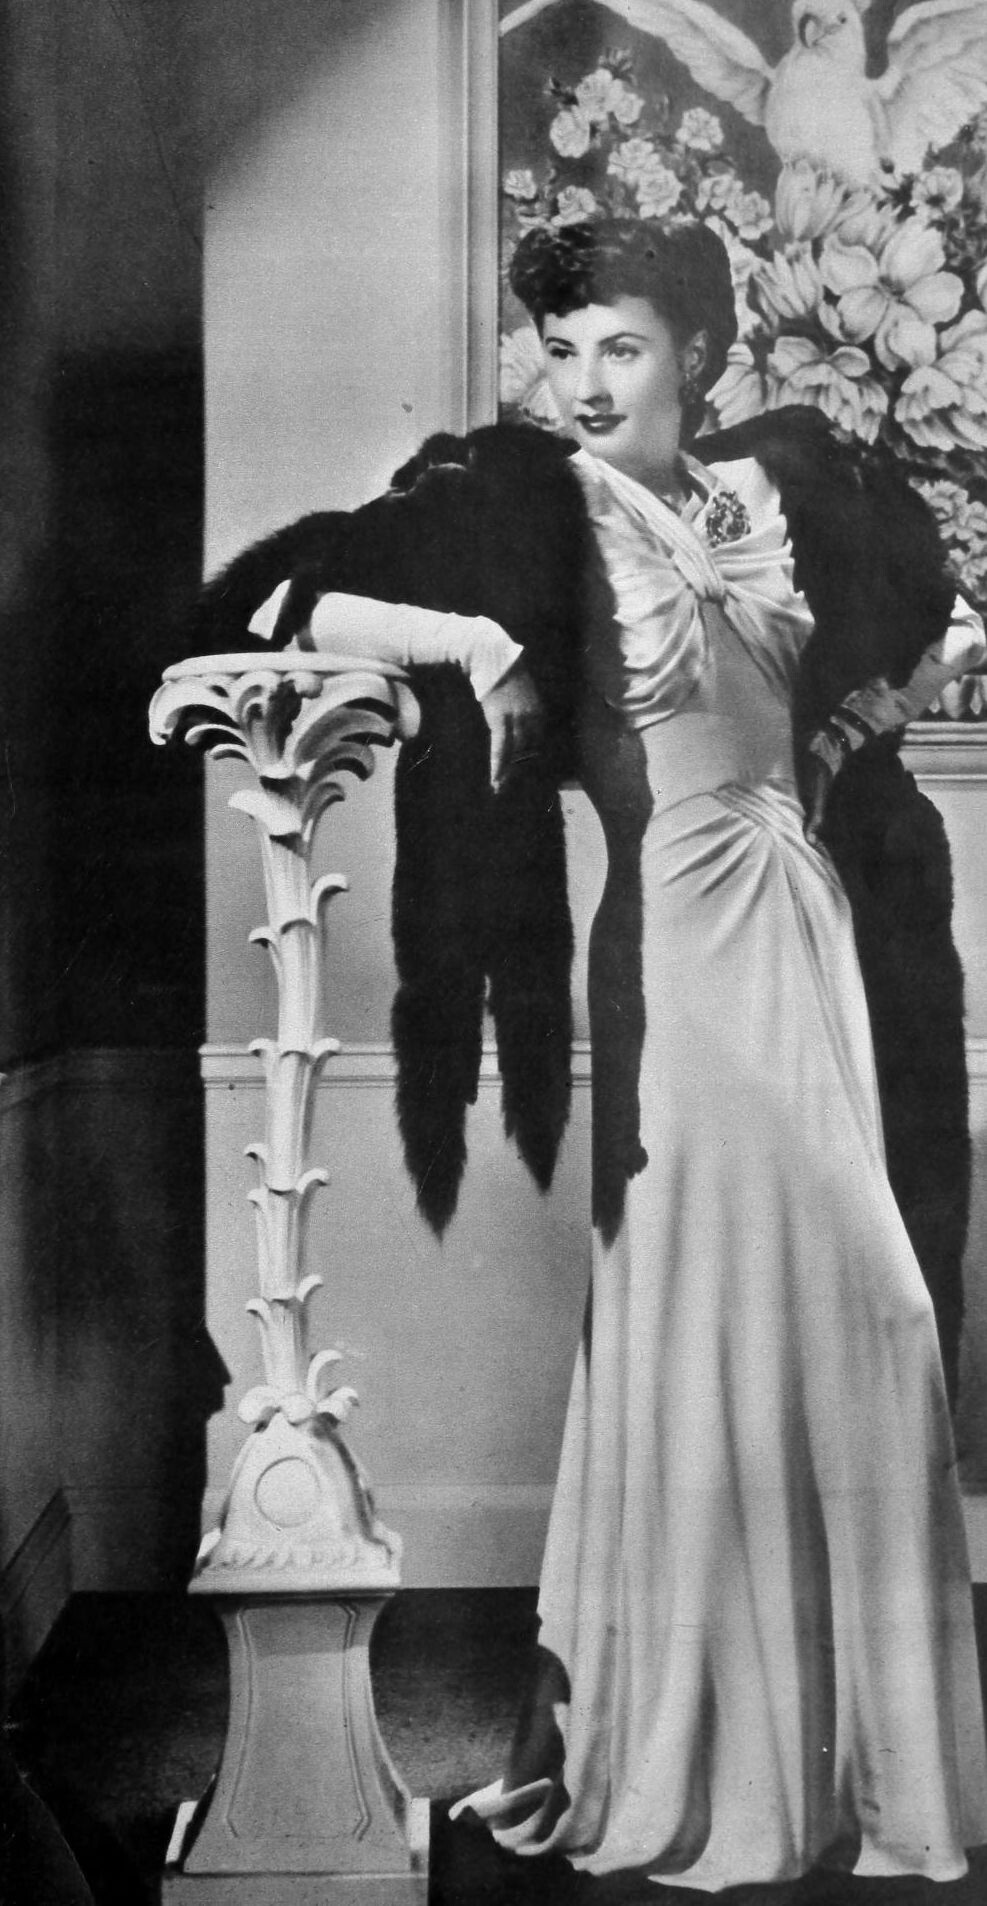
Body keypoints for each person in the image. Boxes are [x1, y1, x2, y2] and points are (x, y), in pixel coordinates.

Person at [208, 216, 987, 1892]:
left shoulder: (766, 491)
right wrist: (478, 647)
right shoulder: (531, 502)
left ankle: (837, 1766)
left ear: (695, 353)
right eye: (560, 350)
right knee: (782, 1312)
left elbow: (925, 619)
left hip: (800, 926)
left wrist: (863, 720)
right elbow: (286, 594)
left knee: (844, 1312)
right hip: (679, 957)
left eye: (618, 347)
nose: (582, 381)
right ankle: (709, 1742)